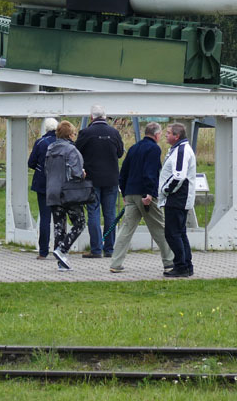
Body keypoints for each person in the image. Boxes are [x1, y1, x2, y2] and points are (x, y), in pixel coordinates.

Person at [109, 122, 174, 274]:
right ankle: (170, 261)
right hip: (145, 195)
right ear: (156, 135)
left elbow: (123, 172)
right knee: (159, 228)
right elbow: (150, 172)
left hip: (130, 193)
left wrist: (125, 193)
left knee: (126, 229)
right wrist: (149, 193)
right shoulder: (154, 149)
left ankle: (115, 263)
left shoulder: (134, 148)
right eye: (161, 134)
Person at [75, 104, 124, 258]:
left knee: (93, 213)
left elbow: (77, 152)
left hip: (92, 178)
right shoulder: (114, 132)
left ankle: (96, 249)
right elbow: (120, 153)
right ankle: (109, 249)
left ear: (91, 117)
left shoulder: (85, 133)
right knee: (110, 214)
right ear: (105, 116)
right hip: (111, 179)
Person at [45, 120, 89, 270]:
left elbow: (46, 169)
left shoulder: (50, 149)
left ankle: (61, 262)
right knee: (80, 223)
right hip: (68, 192)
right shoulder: (71, 150)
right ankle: (62, 249)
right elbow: (76, 172)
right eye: (74, 133)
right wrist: (82, 174)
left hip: (52, 191)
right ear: (70, 135)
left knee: (59, 226)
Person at [158, 122, 196, 278]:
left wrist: (165, 190)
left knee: (172, 233)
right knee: (180, 232)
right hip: (179, 198)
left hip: (177, 198)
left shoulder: (181, 150)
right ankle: (186, 265)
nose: (166, 135)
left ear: (177, 136)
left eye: (168, 133)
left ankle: (181, 266)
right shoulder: (178, 149)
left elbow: (179, 175)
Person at [27, 117, 58, 260]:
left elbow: (31, 162)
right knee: (59, 218)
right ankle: (60, 249)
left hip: (43, 184)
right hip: (60, 185)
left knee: (45, 218)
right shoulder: (63, 143)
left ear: (45, 128)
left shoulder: (40, 142)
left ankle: (43, 251)